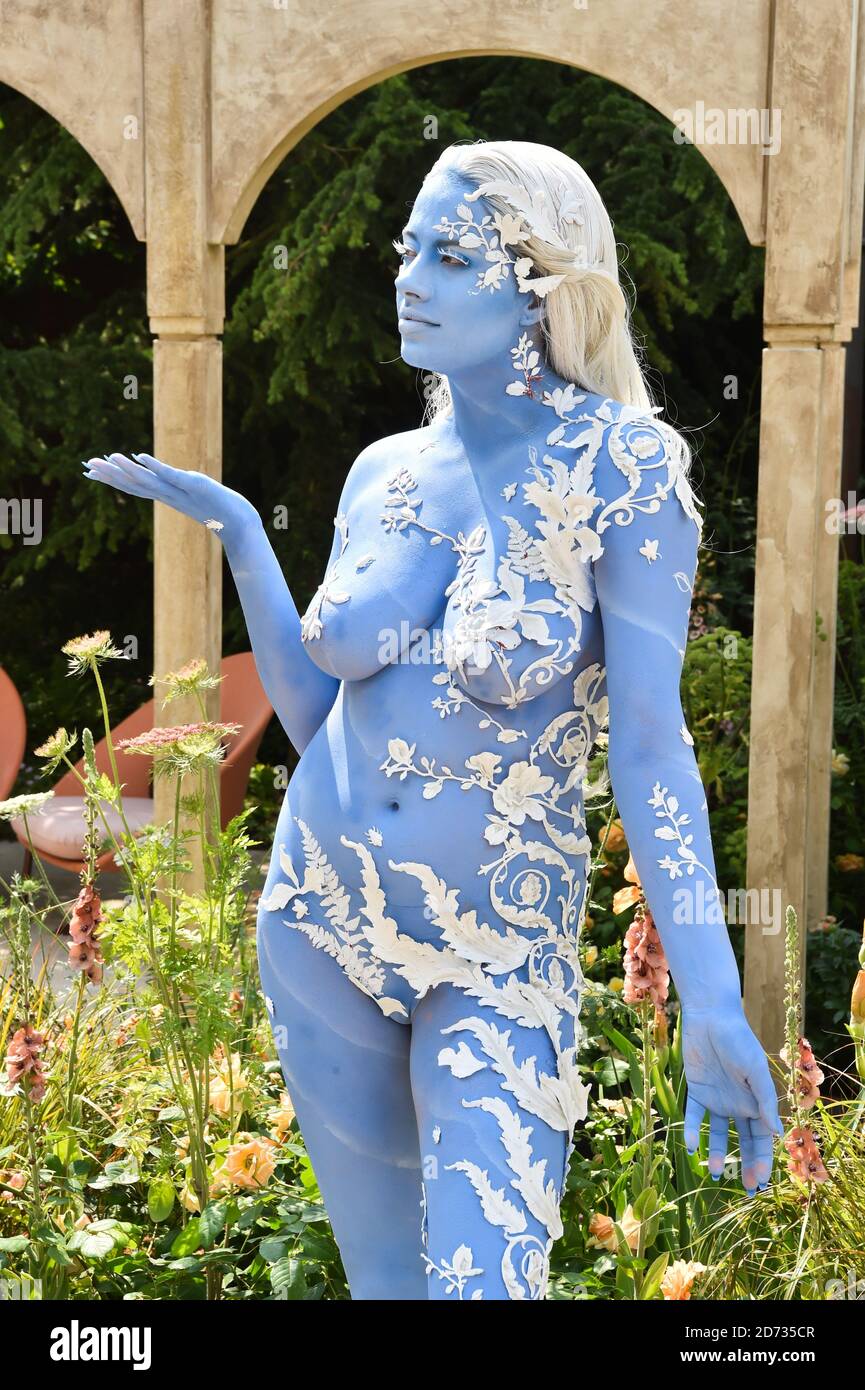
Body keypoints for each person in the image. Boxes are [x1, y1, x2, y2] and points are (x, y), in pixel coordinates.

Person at [84, 139, 783, 1301]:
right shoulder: (382, 470)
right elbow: (319, 721)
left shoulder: (626, 468)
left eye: (450, 256)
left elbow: (654, 748)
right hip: (318, 918)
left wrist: (711, 997)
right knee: (386, 1288)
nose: (409, 274)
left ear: (540, 288)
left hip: (497, 951)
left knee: (483, 1287)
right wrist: (245, 538)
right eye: (410, 247)